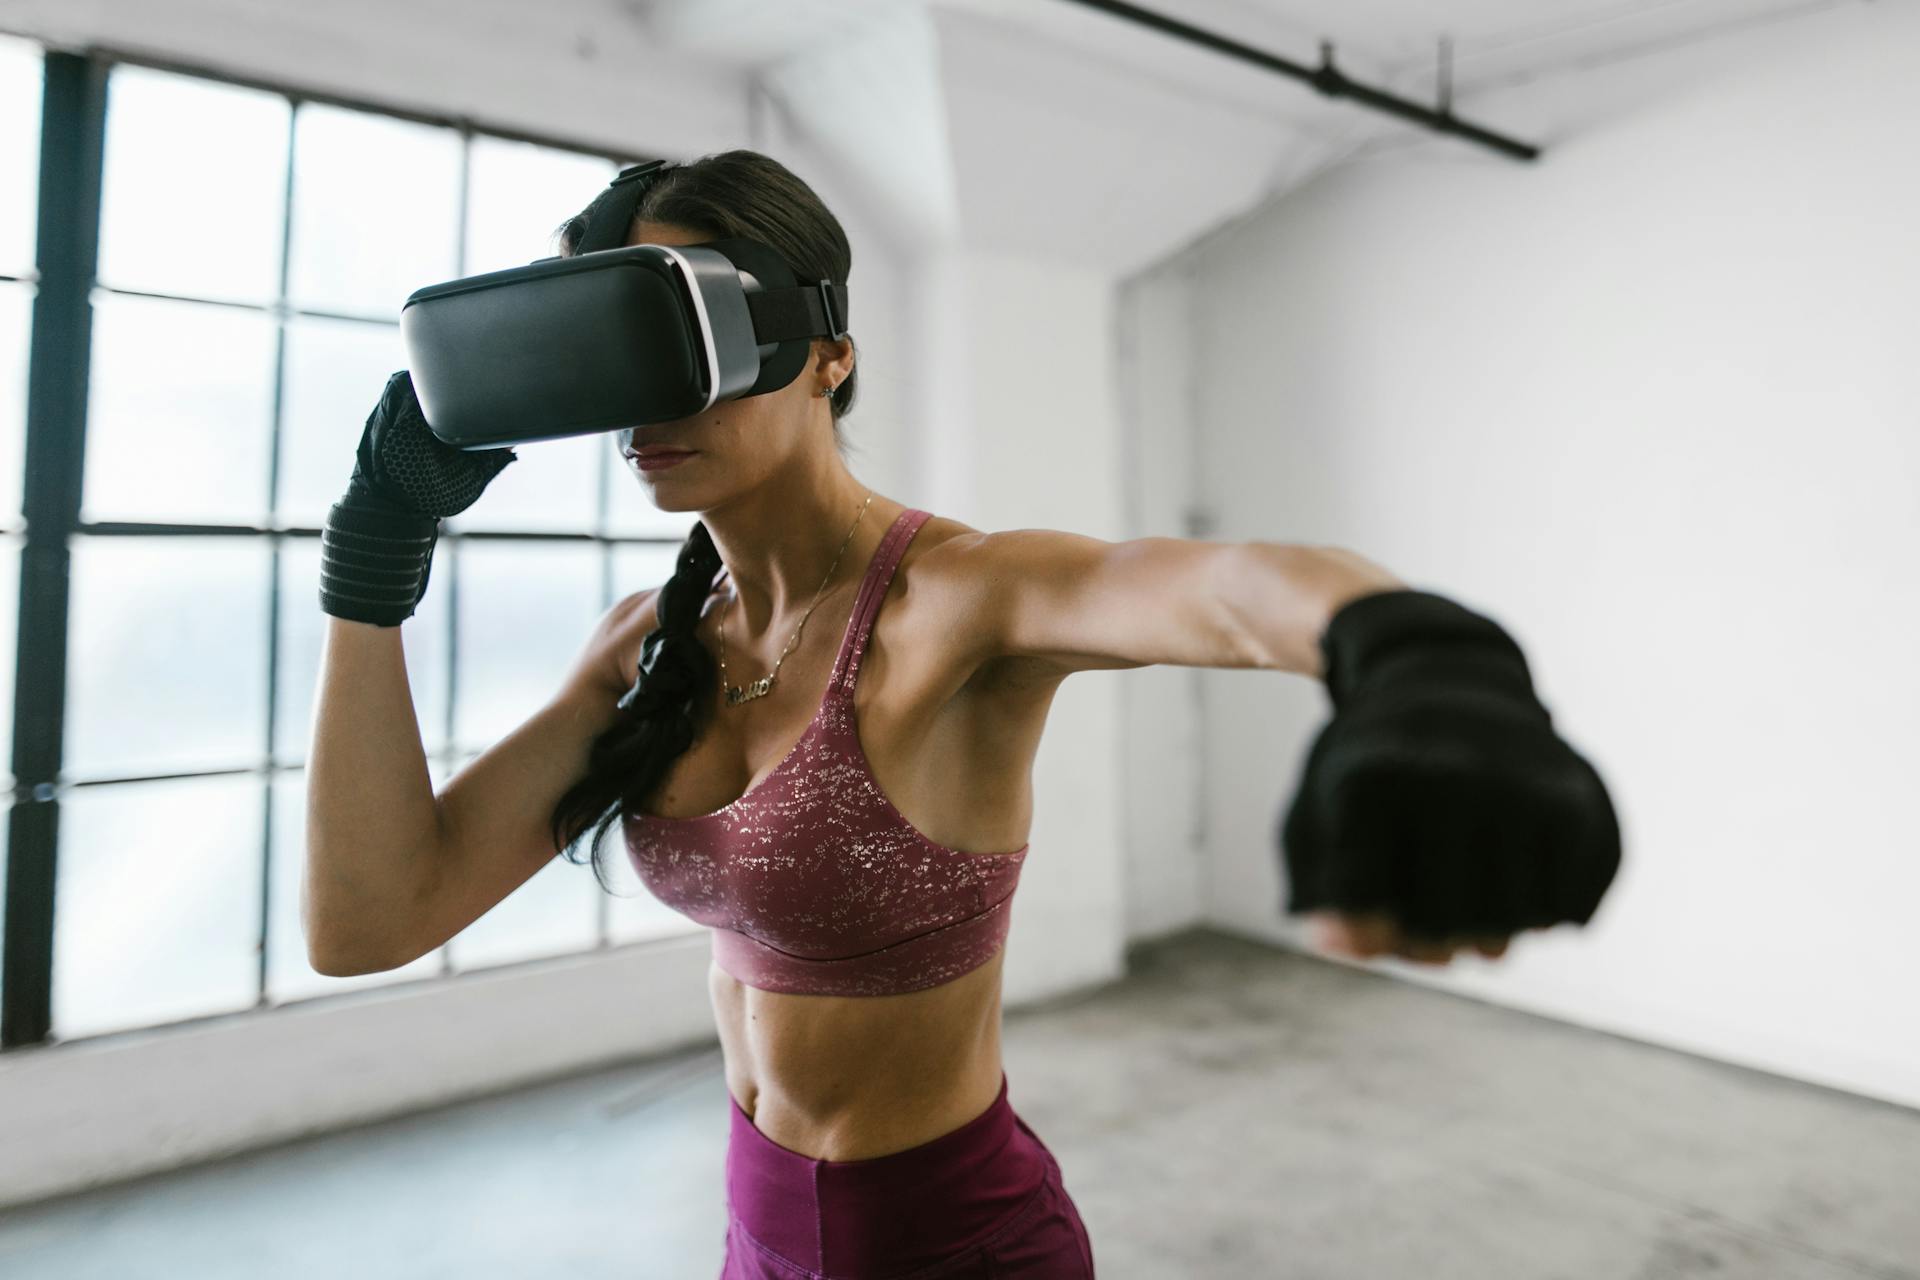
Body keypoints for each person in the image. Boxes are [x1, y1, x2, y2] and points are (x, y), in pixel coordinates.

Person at [303, 150, 1527, 1279]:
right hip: (754, 1231)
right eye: (618, 352)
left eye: (678, 338)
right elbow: (368, 920)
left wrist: (1416, 654)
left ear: (826, 349)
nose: (645, 408)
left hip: (956, 1244)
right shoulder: (649, 644)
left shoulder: (956, 600)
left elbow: (1206, 588)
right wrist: (372, 559)